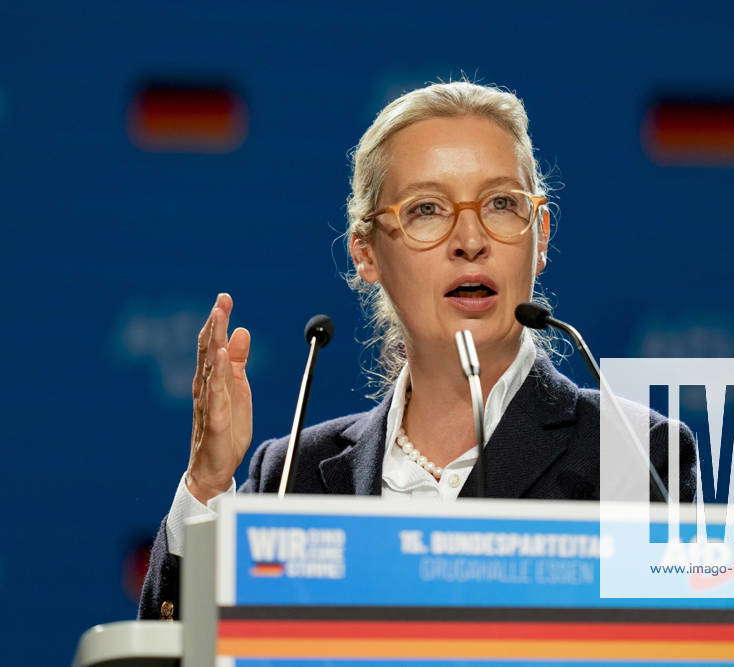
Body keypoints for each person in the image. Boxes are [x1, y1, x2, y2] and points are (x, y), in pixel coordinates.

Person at [138, 81, 696, 620]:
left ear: (540, 234)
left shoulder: (633, 455)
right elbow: (181, 651)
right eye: (427, 209)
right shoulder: (292, 476)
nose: (470, 240)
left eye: (501, 203)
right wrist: (208, 487)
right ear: (366, 253)